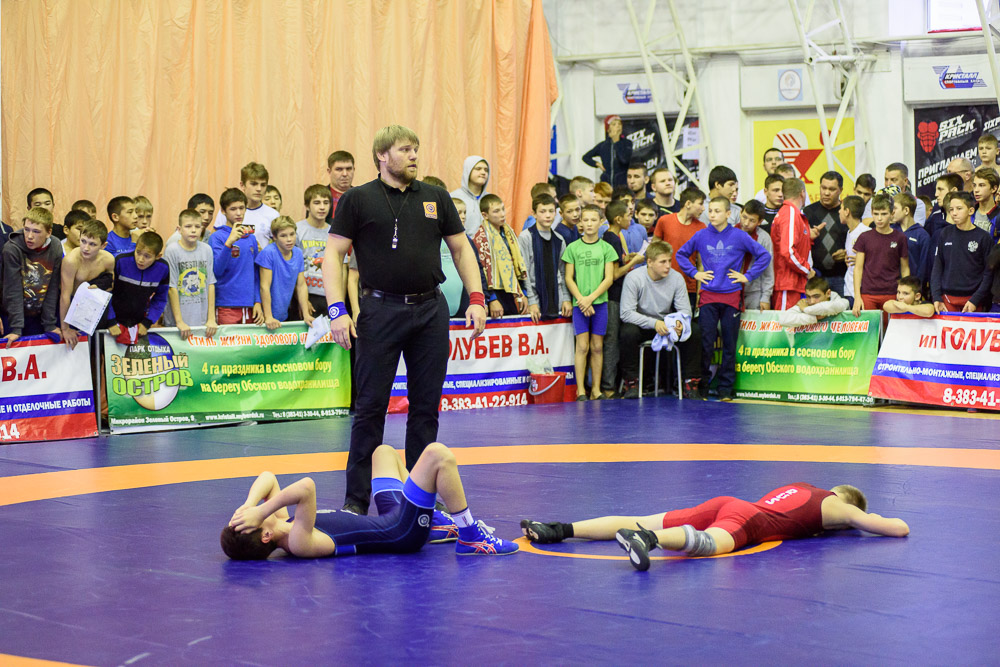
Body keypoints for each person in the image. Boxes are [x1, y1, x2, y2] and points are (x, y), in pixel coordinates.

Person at [323, 125, 487, 515]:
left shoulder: (435, 197)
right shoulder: (358, 199)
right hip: (379, 311)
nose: (414, 155)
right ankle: (356, 501)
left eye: (416, 149)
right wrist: (337, 310)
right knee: (370, 407)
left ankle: (420, 497)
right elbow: (333, 255)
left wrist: (477, 298)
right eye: (405, 149)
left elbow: (461, 249)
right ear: (382, 155)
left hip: (430, 311)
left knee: (426, 407)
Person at [520, 481, 908, 572]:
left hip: (728, 503)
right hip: (751, 520)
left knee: (638, 515)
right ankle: (648, 540)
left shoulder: (802, 486)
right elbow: (896, 528)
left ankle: (557, 529)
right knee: (710, 544)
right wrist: (868, 519)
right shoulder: (838, 506)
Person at [223, 442, 518, 559]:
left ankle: (435, 521)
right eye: (251, 520)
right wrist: (260, 510)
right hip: (402, 533)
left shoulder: (280, 521)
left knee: (383, 453)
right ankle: (471, 537)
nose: (255, 513)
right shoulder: (298, 542)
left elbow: (268, 477)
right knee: (437, 455)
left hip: (391, 518)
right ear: (265, 536)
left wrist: (250, 506)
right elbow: (306, 488)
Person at [677, 196, 770, 401]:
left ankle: (725, 389)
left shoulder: (739, 236)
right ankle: (702, 387)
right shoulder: (701, 235)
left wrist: (747, 276)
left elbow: (764, 256)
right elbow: (681, 254)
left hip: (731, 297)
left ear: (729, 214)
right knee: (706, 343)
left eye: (717, 211)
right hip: (708, 297)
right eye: (710, 211)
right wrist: (694, 273)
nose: (712, 214)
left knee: (729, 344)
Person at [618, 239, 700, 399]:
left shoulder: (676, 278)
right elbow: (626, 313)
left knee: (694, 331)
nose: (668, 266)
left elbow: (685, 311)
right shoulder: (634, 278)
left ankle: (690, 383)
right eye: (663, 262)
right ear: (649, 262)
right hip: (643, 325)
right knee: (628, 332)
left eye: (669, 261)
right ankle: (632, 382)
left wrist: (679, 323)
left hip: (667, 326)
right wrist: (654, 323)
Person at [562, 204, 616, 401]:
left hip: (599, 303)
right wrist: (581, 300)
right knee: (582, 346)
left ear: (601, 222)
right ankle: (581, 390)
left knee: (597, 346)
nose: (590, 224)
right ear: (580, 223)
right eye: (585, 220)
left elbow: (609, 278)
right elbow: (569, 278)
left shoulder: (606, 248)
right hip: (580, 305)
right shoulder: (573, 248)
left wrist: (590, 299)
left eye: (594, 220)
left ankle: (596, 389)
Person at [601, 200, 645, 397]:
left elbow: (616, 262)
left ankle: (612, 382)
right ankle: (608, 386)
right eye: (628, 215)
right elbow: (614, 273)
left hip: (618, 296)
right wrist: (634, 262)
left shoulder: (613, 237)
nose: (630, 219)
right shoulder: (612, 239)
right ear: (618, 219)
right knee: (612, 340)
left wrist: (628, 258)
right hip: (613, 296)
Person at [1, 207, 63, 345]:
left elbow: (52, 287)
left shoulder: (56, 246)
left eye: (36, 231)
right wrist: (16, 329)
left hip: (38, 315)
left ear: (49, 232)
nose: (29, 236)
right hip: (12, 315)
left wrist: (49, 324)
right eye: (26, 229)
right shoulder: (11, 249)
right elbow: (13, 290)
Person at [930, 191, 993, 313]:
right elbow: (937, 267)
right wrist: (936, 296)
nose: (954, 213)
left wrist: (976, 299)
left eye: (959, 208)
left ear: (971, 211)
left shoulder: (983, 237)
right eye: (951, 209)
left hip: (973, 300)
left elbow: (988, 273)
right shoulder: (945, 233)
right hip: (947, 298)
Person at [59, 219, 115, 349]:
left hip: (94, 308)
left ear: (103, 245)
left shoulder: (108, 260)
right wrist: (65, 328)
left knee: (95, 351)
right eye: (83, 241)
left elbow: (110, 285)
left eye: (92, 244)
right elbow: (65, 296)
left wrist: (99, 286)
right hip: (70, 308)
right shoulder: (71, 260)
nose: (86, 248)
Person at [210, 188, 263, 326]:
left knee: (250, 341)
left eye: (242, 208)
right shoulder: (217, 237)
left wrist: (257, 301)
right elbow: (217, 271)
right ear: (223, 211)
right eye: (233, 209)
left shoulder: (251, 238)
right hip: (226, 305)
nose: (239, 213)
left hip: (250, 305)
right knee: (228, 341)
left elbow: (256, 273)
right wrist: (229, 243)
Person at [852, 193, 910, 316]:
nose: (879, 218)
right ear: (871, 213)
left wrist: (905, 294)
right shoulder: (864, 237)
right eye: (876, 214)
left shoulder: (900, 238)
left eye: (884, 214)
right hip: (868, 293)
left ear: (892, 214)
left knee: (891, 327)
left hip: (892, 293)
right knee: (871, 328)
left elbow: (905, 268)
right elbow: (858, 269)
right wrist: (857, 296)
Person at [518, 193, 572, 323]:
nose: (548, 215)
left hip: (556, 299)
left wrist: (566, 298)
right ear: (534, 214)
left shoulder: (559, 240)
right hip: (535, 300)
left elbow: (563, 271)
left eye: (551, 211)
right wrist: (531, 301)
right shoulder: (526, 237)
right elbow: (524, 272)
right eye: (543, 211)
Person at [163, 209, 217, 339]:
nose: (193, 230)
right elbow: (171, 287)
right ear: (179, 229)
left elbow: (210, 284)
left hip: (202, 320)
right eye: (188, 226)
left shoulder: (207, 250)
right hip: (178, 322)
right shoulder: (172, 250)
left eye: (197, 227)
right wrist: (179, 321)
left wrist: (211, 318)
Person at [105, 232, 169, 341]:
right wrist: (110, 321)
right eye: (138, 252)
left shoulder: (163, 268)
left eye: (147, 256)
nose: (140, 259)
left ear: (158, 256)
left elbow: (160, 298)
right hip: (112, 322)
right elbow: (107, 292)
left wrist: (147, 322)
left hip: (139, 324)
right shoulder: (120, 260)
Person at [472, 194, 528, 318]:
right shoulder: (480, 239)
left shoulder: (509, 234)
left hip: (510, 292)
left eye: (503, 209)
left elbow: (517, 264)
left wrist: (523, 293)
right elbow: (481, 272)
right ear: (485, 215)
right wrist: (492, 299)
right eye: (496, 211)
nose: (502, 214)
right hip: (493, 293)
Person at [653, 186, 706, 312]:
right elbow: (653, 252)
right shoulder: (664, 221)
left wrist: (700, 292)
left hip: (689, 286)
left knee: (685, 322)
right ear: (688, 204)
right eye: (700, 204)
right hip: (663, 284)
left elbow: (701, 264)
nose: (703, 208)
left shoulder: (702, 227)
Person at [257, 217, 313, 330]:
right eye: (283, 236)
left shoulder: (298, 253)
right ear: (274, 237)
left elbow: (301, 285)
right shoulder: (268, 253)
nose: (289, 239)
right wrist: (268, 316)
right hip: (263, 315)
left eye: (292, 234)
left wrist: (306, 314)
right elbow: (264, 287)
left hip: (283, 311)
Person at [212, 162, 279, 250]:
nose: (259, 189)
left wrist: (262, 253)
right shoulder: (228, 211)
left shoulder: (273, 215)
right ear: (242, 185)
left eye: (263, 185)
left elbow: (279, 250)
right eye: (254, 184)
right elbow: (214, 241)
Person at [770, 178, 813, 310]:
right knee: (786, 322)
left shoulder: (791, 213)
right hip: (788, 283)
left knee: (794, 322)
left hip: (794, 283)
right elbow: (787, 251)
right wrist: (807, 269)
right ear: (802, 193)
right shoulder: (790, 213)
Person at [802, 171, 846, 295]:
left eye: (832, 189)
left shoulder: (846, 212)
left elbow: (858, 242)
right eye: (823, 188)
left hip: (841, 277)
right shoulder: (808, 212)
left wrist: (847, 252)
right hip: (815, 277)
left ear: (841, 190)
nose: (826, 193)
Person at [296, 184, 333, 319]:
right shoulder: (297, 230)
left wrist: (339, 300)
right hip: (305, 294)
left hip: (329, 295)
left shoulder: (334, 232)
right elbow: (292, 267)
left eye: (326, 203)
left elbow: (342, 268)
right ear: (307, 206)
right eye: (317, 203)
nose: (322, 207)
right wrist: (301, 299)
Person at [737, 200, 774, 311]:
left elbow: (768, 270)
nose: (746, 223)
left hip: (754, 292)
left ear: (760, 221)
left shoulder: (764, 238)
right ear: (740, 212)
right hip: (732, 290)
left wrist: (765, 297)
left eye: (752, 220)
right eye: (744, 217)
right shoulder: (730, 232)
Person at [891, 192, 932, 290]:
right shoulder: (890, 231)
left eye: (895, 208)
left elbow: (924, 266)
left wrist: (916, 288)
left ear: (906, 210)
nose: (892, 212)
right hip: (889, 287)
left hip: (912, 289)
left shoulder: (922, 235)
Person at [583, 114, 633, 187]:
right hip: (606, 182)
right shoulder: (603, 145)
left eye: (619, 124)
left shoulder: (627, 143)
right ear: (608, 129)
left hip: (622, 183)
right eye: (614, 124)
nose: (618, 126)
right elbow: (585, 157)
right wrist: (598, 164)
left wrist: (617, 142)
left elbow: (624, 160)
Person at [841, 195, 869, 310]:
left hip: (861, 292)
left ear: (847, 211)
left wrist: (862, 259)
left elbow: (878, 258)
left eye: (841, 208)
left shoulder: (866, 232)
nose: (839, 212)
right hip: (849, 288)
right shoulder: (849, 232)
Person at [451, 155, 491, 235]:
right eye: (478, 169)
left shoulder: (491, 199)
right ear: (468, 171)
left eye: (486, 170)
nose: (483, 172)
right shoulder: (453, 197)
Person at [925, 173, 963, 240]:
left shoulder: (967, 213)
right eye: (936, 190)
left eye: (940, 189)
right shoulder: (936, 211)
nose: (936, 194)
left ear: (954, 191)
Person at [971, 167, 1000, 241]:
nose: (976, 190)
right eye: (974, 185)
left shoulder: (998, 216)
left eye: (981, 185)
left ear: (994, 188)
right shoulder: (969, 212)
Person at [326, 150, 356, 221]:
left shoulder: (362, 197)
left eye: (348, 169)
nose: (345, 174)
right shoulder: (318, 196)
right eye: (339, 169)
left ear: (354, 170)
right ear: (329, 171)